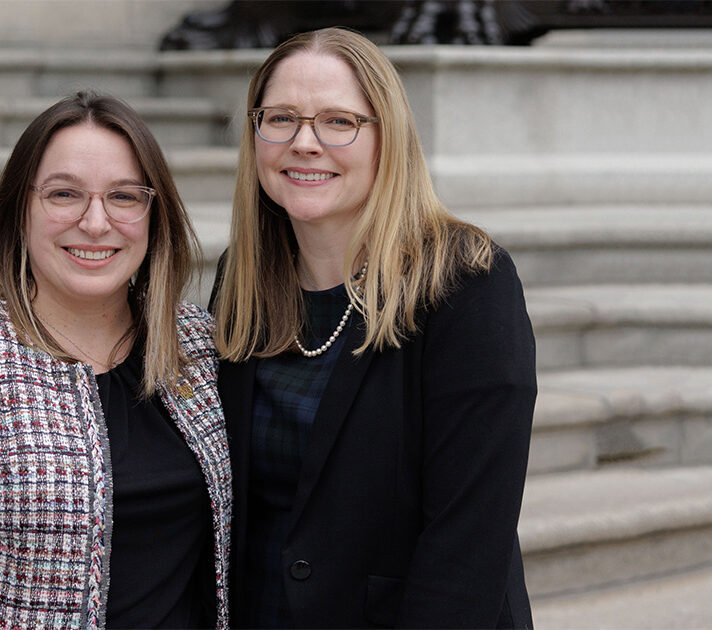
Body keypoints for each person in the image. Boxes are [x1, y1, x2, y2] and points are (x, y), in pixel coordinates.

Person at [0, 91, 231, 629]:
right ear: (19, 209)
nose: (96, 223)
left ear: (155, 214)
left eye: (124, 197)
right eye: (64, 194)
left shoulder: (195, 343)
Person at [210, 28, 536, 628]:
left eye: (339, 122)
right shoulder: (243, 278)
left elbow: (468, 538)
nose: (304, 143)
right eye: (281, 118)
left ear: (388, 139)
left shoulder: (465, 281)